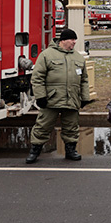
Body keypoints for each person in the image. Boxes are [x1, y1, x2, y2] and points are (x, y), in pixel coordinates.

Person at [25, 28, 90, 164]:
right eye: (72, 39)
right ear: (62, 41)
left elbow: (84, 79)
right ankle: (34, 151)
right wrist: (40, 96)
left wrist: (84, 97)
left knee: (71, 127)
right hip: (51, 99)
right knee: (43, 126)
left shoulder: (78, 57)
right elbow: (37, 78)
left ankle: (71, 150)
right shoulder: (46, 55)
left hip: (72, 98)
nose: (74, 42)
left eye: (75, 39)